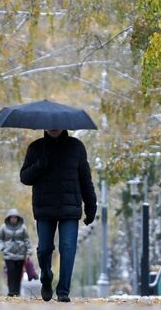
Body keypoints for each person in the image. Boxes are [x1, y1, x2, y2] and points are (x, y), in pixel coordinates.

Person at [20, 129, 97, 303]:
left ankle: (63, 291)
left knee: (68, 248)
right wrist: (40, 164)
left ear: (65, 125)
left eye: (58, 124)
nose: (53, 127)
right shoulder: (36, 148)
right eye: (49, 125)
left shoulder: (76, 147)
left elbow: (86, 179)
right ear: (44, 126)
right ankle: (46, 277)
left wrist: (91, 206)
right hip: (44, 208)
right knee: (44, 249)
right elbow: (24, 177)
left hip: (69, 208)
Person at [0, 208, 33, 297]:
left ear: (18, 218)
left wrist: (28, 252)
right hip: (8, 254)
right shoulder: (3, 227)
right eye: (11, 217)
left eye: (15, 217)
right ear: (9, 218)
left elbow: (27, 240)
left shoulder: (23, 227)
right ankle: (11, 291)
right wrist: (2, 247)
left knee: (18, 273)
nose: (13, 219)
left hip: (20, 255)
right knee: (11, 272)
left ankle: (17, 291)